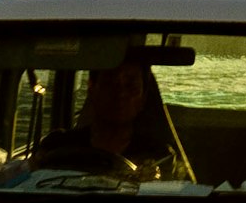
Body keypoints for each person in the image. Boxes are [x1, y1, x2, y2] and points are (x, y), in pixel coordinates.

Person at [25, 56, 178, 181]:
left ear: (143, 98)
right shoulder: (56, 145)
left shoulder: (159, 155)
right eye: (109, 83)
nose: (120, 93)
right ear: (92, 89)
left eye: (130, 85)